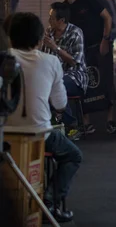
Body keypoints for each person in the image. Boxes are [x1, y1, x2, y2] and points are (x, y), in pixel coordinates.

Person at [5, 12, 82, 223]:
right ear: (40, 40)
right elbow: (61, 104)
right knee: (73, 155)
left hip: (4, 135)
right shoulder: (50, 61)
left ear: (10, 38)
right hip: (39, 133)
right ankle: (49, 202)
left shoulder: (3, 59)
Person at [56, 0, 116, 136]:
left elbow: (107, 18)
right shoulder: (65, 8)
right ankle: (86, 123)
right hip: (80, 52)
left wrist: (105, 40)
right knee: (85, 84)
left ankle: (110, 121)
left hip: (99, 46)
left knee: (106, 81)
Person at [41, 2, 88, 141]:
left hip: (75, 76)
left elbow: (74, 61)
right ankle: (51, 124)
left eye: (51, 18)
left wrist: (55, 47)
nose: (49, 21)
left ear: (61, 20)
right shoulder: (49, 32)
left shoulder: (76, 32)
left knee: (55, 85)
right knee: (42, 85)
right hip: (54, 76)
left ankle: (71, 124)